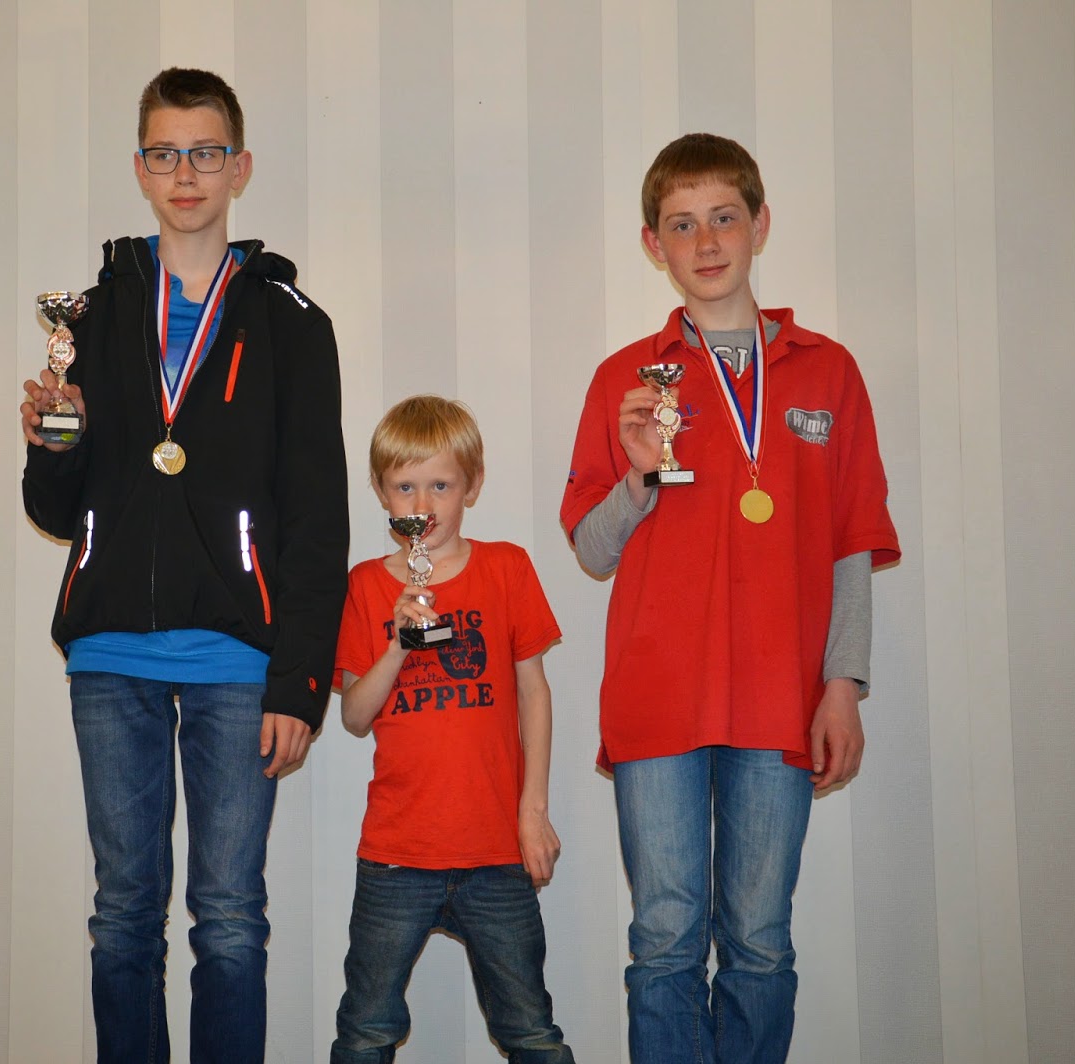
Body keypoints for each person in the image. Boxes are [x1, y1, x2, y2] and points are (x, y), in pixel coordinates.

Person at [20, 67, 349, 1064]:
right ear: (140, 169)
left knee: (230, 917)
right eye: (165, 153)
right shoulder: (88, 318)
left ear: (239, 167)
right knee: (123, 914)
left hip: (239, 665)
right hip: (109, 653)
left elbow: (318, 520)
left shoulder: (292, 322)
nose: (186, 173)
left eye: (206, 151)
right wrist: (51, 445)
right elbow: (53, 511)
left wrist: (300, 680)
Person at [559, 133, 901, 1063]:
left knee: (758, 941)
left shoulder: (828, 371)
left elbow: (852, 541)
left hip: (780, 697)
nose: (705, 241)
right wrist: (638, 476)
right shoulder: (627, 381)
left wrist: (843, 686)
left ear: (760, 225)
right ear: (652, 245)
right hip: (658, 698)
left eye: (723, 218)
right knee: (664, 942)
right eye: (681, 225)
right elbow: (591, 549)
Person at [330, 395, 575, 1063]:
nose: (424, 503)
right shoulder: (365, 585)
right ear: (381, 490)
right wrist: (397, 645)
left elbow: (534, 693)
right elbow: (353, 715)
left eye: (441, 485)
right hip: (396, 853)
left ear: (472, 484)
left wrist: (533, 811)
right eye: (405, 486)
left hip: (496, 851)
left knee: (531, 1031)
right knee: (366, 1031)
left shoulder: (507, 567)